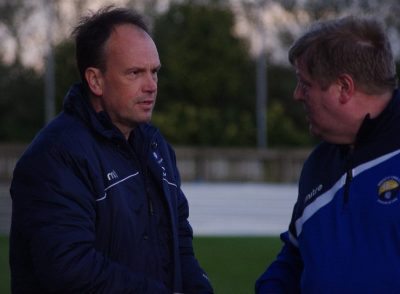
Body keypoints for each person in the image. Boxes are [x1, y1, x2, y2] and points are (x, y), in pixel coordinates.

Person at [9, 6, 213, 294]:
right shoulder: (55, 157)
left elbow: (179, 241)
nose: (151, 85)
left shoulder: (157, 147)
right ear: (95, 80)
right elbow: (69, 269)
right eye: (135, 73)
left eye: (154, 72)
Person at [255, 15, 400, 293]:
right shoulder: (319, 163)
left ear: (344, 87)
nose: (297, 95)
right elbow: (297, 256)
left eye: (305, 83)